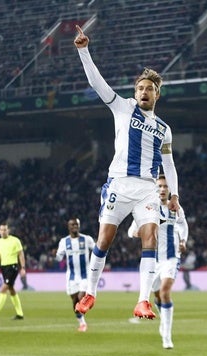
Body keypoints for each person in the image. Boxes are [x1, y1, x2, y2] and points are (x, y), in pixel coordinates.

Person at [73, 25, 181, 319]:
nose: (145, 92)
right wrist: (84, 51)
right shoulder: (123, 108)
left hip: (147, 187)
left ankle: (143, 300)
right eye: (141, 88)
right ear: (135, 92)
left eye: (150, 88)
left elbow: (168, 164)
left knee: (151, 238)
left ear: (158, 94)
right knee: (104, 240)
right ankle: (90, 293)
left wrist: (174, 194)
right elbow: (98, 84)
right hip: (119, 185)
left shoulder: (164, 129)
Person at [128, 174, 188, 348]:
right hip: (152, 261)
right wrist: (141, 231)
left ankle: (167, 336)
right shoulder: (146, 208)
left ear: (170, 190)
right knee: (157, 296)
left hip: (171, 258)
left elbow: (183, 224)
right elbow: (131, 231)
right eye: (159, 186)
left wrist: (183, 241)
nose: (162, 189)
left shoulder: (175, 207)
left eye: (165, 186)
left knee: (164, 291)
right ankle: (164, 320)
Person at [55, 217, 96, 332]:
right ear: (68, 227)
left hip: (85, 275)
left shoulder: (86, 239)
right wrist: (56, 255)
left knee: (80, 297)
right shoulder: (64, 241)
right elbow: (59, 257)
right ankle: (82, 323)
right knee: (74, 301)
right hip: (71, 276)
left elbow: (97, 250)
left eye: (76, 225)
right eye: (72, 225)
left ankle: (88, 302)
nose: (75, 227)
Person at [0, 223, 26, 320]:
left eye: (5, 230)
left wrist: (23, 268)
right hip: (4, 268)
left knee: (3, 288)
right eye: (2, 230)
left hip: (13, 267)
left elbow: (21, 254)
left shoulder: (15, 240)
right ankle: (20, 314)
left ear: (8, 230)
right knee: (11, 289)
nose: (3, 232)